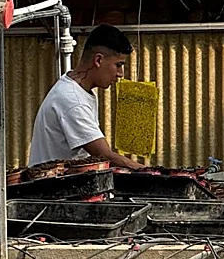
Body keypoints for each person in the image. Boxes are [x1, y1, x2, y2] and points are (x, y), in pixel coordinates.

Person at [28, 23, 145, 169]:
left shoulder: (76, 88)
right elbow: (104, 155)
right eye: (118, 65)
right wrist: (150, 173)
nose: (120, 73)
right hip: (53, 188)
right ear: (98, 60)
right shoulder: (72, 100)